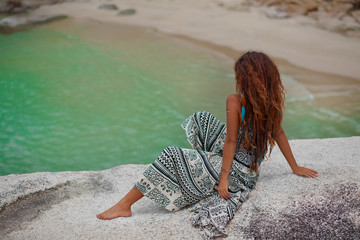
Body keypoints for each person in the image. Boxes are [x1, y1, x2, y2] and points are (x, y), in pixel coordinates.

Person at [96, 51, 318, 239]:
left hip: (237, 173)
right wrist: (295, 167)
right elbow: (278, 133)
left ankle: (124, 205)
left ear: (245, 79)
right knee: (201, 120)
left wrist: (223, 178)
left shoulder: (236, 100)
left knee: (171, 155)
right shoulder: (273, 103)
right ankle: (202, 169)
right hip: (249, 169)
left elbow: (232, 140)